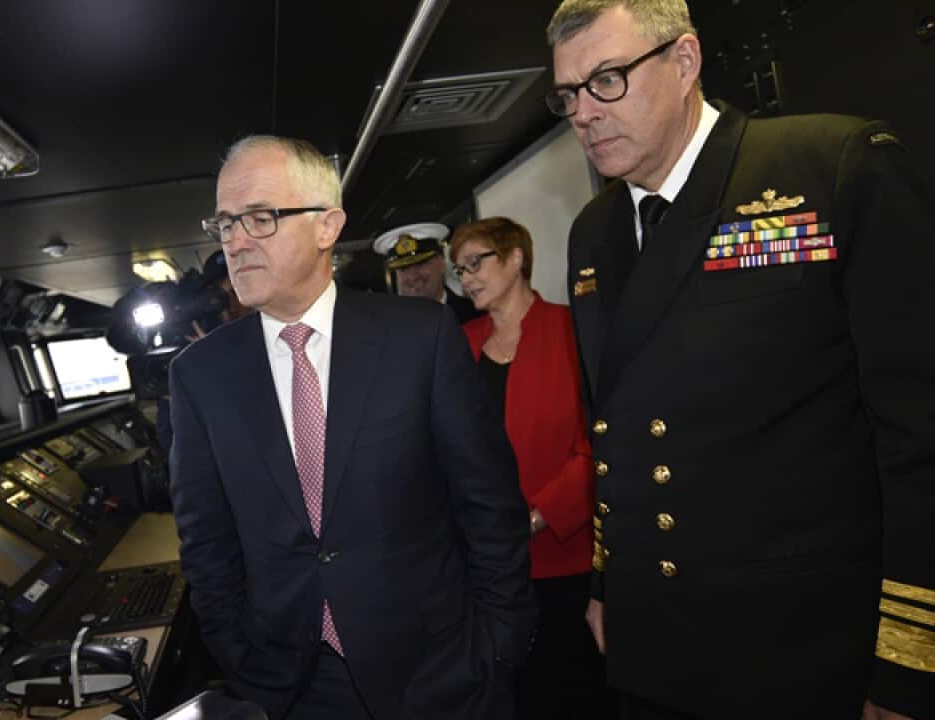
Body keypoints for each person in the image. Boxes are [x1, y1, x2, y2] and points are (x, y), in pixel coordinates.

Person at [547, 1, 935, 718]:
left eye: (606, 80)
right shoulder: (593, 233)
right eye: (568, 93)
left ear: (685, 61)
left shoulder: (830, 168)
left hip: (805, 647)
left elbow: (918, 438)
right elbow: (613, 429)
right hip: (653, 644)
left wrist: (911, 660)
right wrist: (608, 586)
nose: (583, 112)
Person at [170, 135, 536, 720]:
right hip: (294, 685)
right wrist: (245, 665)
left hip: (443, 669)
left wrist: (498, 644)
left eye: (259, 218)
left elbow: (489, 505)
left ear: (327, 226)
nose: (235, 242)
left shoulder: (420, 339)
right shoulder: (200, 375)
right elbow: (206, 543)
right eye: (225, 223)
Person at [450, 217, 611, 719]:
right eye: (460, 270)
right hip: (485, 569)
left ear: (517, 258)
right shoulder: (459, 345)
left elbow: (597, 446)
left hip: (563, 558)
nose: (467, 278)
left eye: (476, 262)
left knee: (571, 692)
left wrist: (535, 517)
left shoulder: (570, 329)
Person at [373, 222, 481, 323]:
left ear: (441, 262)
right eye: (403, 269)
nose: (413, 276)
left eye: (421, 264)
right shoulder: (390, 326)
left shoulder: (476, 315)